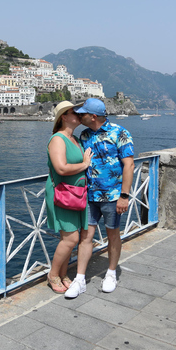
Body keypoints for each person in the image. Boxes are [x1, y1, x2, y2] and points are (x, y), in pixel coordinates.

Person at [65, 98, 134, 298]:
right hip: (89, 195)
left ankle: (111, 273)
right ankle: (80, 279)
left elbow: (129, 165)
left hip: (113, 196)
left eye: (82, 113)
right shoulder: (84, 134)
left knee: (113, 234)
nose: (79, 116)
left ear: (93, 116)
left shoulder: (119, 133)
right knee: (86, 237)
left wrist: (124, 195)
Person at [44, 101, 93, 293]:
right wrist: (85, 164)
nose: (79, 114)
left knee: (71, 236)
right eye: (74, 112)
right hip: (63, 193)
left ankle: (64, 274)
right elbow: (61, 168)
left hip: (77, 194)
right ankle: (53, 275)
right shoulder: (57, 139)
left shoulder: (75, 139)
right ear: (63, 117)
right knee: (71, 238)